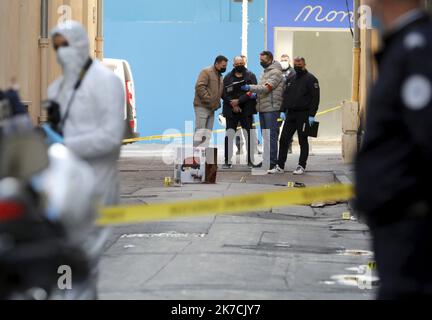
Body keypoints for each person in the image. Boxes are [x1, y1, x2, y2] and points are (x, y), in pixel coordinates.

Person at [355, 0, 432, 300]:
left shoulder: (416, 48)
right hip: (397, 221)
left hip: (412, 225)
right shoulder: (403, 44)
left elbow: (425, 134)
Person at [46, 21, 125, 206]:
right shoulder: (56, 88)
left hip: (98, 178)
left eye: (65, 45)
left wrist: (66, 145)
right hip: (66, 178)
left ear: (80, 44)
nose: (61, 52)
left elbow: (111, 137)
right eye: (56, 47)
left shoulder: (106, 82)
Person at [269, 57, 320, 175]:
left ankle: (301, 166)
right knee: (283, 140)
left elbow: (315, 99)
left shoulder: (311, 79)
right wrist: (282, 110)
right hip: (291, 114)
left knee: (303, 140)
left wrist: (312, 115)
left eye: (300, 64)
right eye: (296, 64)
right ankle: (280, 166)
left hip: (304, 114)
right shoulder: (291, 79)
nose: (297, 66)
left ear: (304, 64)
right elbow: (285, 96)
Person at [241, 51, 284, 172]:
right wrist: (253, 94)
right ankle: (266, 160)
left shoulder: (276, 73)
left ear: (270, 59)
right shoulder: (265, 72)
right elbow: (261, 88)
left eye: (263, 60)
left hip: (271, 108)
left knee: (271, 136)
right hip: (262, 108)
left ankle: (272, 163)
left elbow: (266, 88)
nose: (261, 62)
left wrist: (250, 87)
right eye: (260, 59)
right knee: (265, 137)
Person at [222, 56, 258, 169]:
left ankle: (250, 161)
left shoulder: (251, 76)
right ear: (233, 65)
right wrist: (233, 103)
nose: (239, 66)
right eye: (237, 64)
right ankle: (227, 161)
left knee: (249, 136)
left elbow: (253, 91)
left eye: (241, 63)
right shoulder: (227, 77)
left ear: (244, 63)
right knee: (229, 135)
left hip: (246, 110)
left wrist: (240, 101)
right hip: (231, 110)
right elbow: (223, 93)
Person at [194, 55, 228, 148]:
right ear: (216, 63)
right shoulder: (206, 72)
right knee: (200, 132)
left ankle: (203, 156)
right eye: (223, 66)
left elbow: (220, 92)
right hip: (202, 106)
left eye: (226, 66)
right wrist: (209, 100)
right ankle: (194, 157)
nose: (225, 68)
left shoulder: (220, 76)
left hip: (212, 108)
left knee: (207, 133)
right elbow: (199, 87)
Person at [280, 54, 296, 154]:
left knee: (289, 127)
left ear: (289, 61)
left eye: (285, 60)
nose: (284, 62)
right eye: (282, 60)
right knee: (276, 126)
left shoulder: (293, 72)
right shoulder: (277, 71)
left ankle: (289, 146)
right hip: (278, 104)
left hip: (289, 103)